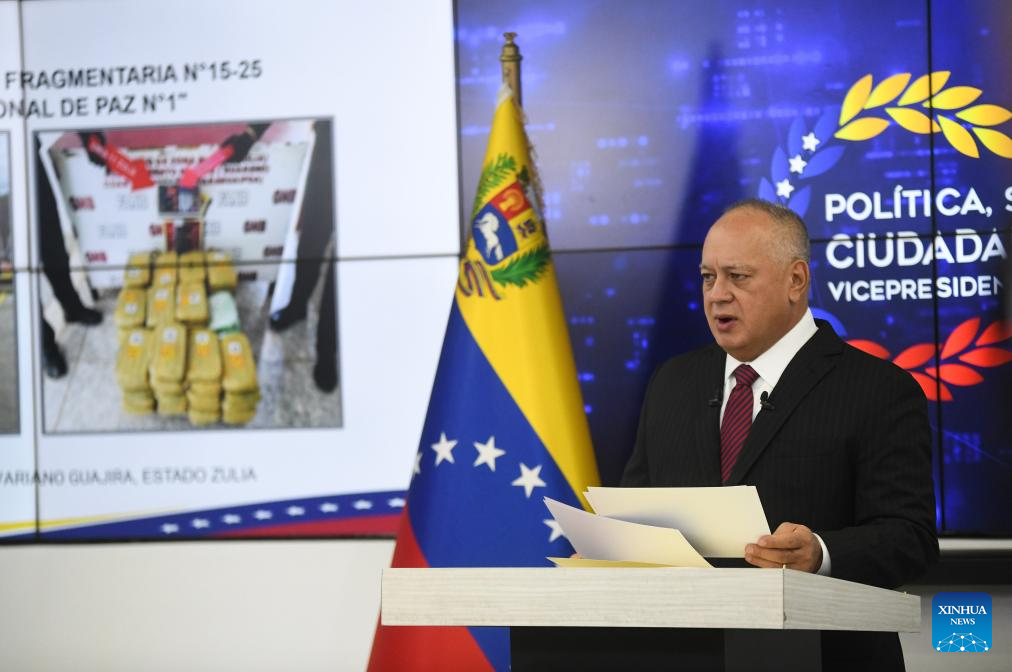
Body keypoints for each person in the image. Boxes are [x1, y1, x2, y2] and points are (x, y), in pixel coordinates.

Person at [621, 198, 938, 670]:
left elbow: (910, 538)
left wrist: (821, 553)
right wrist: (613, 546)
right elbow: (637, 515)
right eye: (708, 277)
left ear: (796, 280)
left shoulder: (878, 389)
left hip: (826, 656)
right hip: (686, 652)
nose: (717, 294)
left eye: (738, 276)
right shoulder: (672, 383)